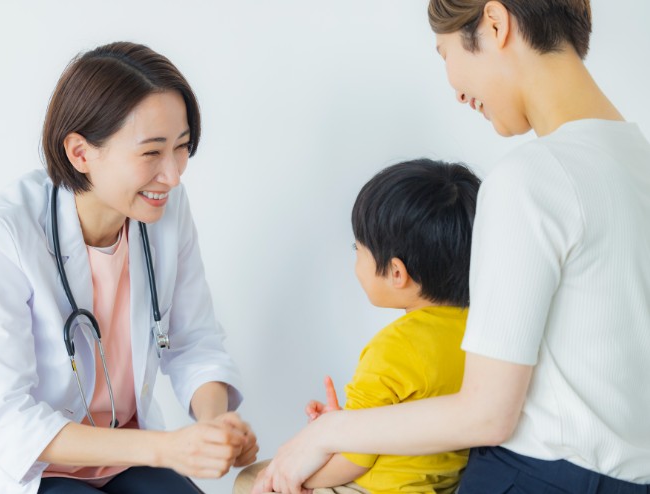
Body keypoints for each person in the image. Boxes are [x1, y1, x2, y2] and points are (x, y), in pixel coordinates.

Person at [252, 1, 650, 493]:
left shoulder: (532, 179)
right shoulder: (637, 161)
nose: (457, 92)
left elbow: (488, 413)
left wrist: (327, 432)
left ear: (495, 24)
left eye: (445, 54)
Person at [0, 41, 258, 493]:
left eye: (182, 147)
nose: (173, 175)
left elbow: (194, 341)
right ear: (80, 153)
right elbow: (8, 420)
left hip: (117, 452)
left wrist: (214, 427)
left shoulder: (164, 209)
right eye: (151, 153)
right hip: (10, 465)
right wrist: (167, 448)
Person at [235, 160, 480, 494]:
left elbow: (355, 459)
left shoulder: (395, 347)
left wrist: (290, 477)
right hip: (445, 488)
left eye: (358, 249)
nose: (356, 261)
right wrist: (343, 422)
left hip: (377, 490)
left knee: (251, 478)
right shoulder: (481, 333)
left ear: (396, 273)